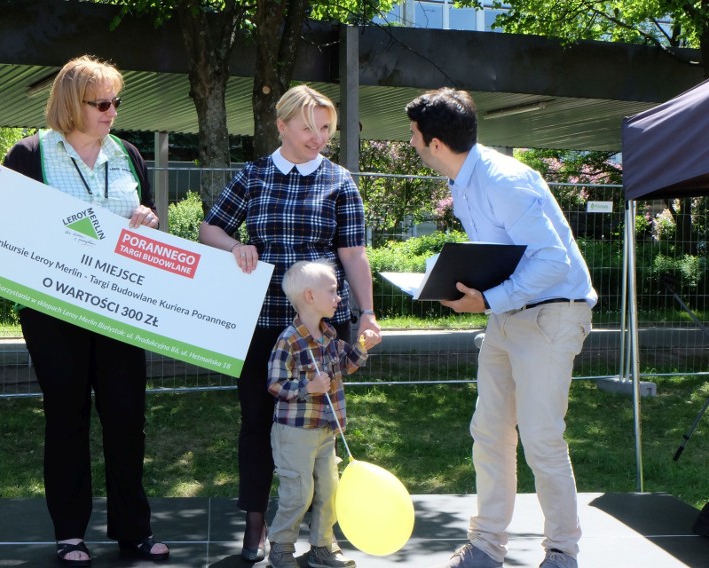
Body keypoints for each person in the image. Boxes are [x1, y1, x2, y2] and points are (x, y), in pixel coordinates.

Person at [0, 55, 169, 567]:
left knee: (127, 417)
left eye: (116, 102)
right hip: (52, 310)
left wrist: (146, 220)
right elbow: (5, 225)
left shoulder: (127, 154)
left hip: (120, 304)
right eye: (100, 102)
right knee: (67, 417)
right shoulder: (30, 153)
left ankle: (134, 531)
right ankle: (69, 533)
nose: (111, 111)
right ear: (70, 103)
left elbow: (141, 221)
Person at [405, 88, 596, 568]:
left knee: (542, 438)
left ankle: (561, 554)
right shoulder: (466, 180)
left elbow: (553, 260)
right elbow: (508, 253)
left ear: (435, 143)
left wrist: (487, 299)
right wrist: (465, 286)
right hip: (508, 315)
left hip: (552, 313)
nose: (409, 142)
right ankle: (487, 545)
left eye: (412, 134)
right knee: (489, 432)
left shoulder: (502, 179)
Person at [198, 84, 381, 563]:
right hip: (261, 328)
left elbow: (354, 254)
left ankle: (321, 536)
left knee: (322, 428)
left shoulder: (340, 181)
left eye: (326, 128)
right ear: (281, 125)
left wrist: (366, 311)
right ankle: (256, 529)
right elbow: (209, 228)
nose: (318, 136)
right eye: (307, 127)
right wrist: (233, 246)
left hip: (325, 330)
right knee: (257, 422)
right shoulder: (254, 176)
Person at [266, 259, 378, 568]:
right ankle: (281, 545)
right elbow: (275, 384)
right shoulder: (289, 339)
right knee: (298, 493)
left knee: (330, 489)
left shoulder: (329, 335)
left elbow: (345, 366)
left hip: (326, 430)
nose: (339, 296)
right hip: (295, 432)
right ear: (310, 296)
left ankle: (322, 545)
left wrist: (362, 347)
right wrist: (308, 387)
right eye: (332, 291)